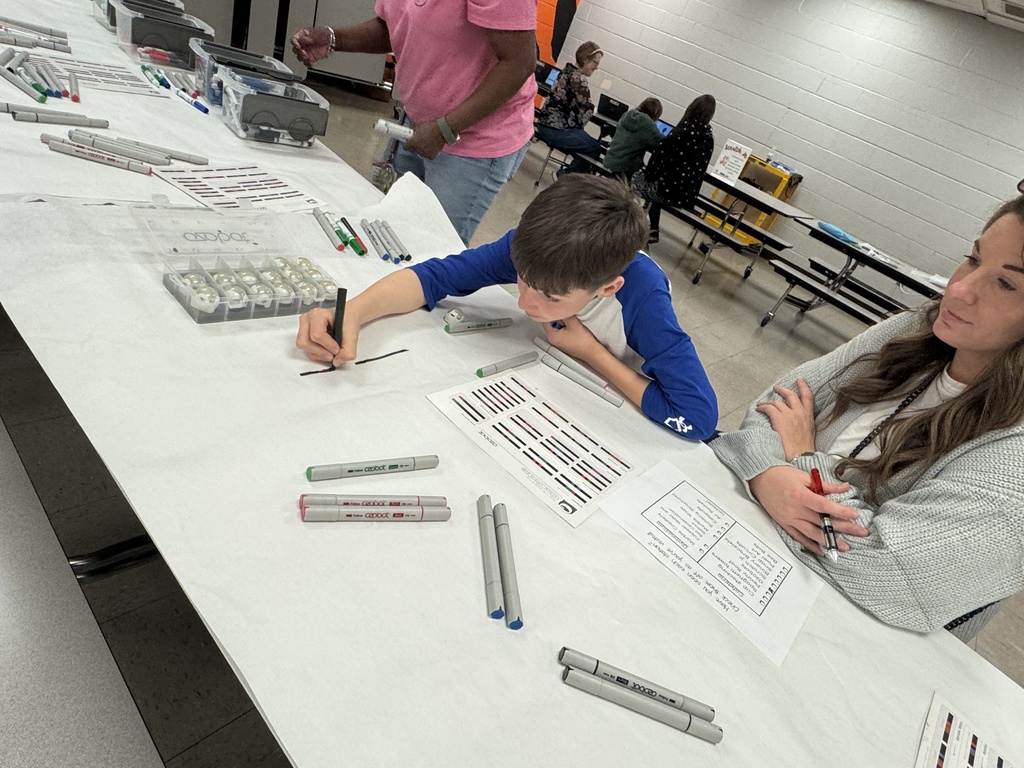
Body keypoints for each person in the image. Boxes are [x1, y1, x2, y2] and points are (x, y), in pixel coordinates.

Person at [710, 195, 1024, 641]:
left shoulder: (1014, 455)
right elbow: (773, 406)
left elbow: (888, 572)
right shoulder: (914, 331)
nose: (958, 290)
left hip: (829, 636)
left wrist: (802, 457)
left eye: (1006, 284)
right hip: (747, 560)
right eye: (973, 259)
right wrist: (768, 474)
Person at [296, 175, 718, 441]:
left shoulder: (644, 300)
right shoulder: (533, 249)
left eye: (551, 298)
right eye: (521, 278)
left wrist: (590, 351)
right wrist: (355, 311)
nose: (524, 302)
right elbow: (435, 277)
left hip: (618, 404)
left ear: (608, 288)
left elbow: (697, 420)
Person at [290, 2, 537, 246]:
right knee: (385, 232)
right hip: (419, 123)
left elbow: (519, 63)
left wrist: (445, 129)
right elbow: (395, 27)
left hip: (473, 140)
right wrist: (334, 39)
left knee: (432, 249)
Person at [634, 94, 716, 244]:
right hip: (686, 195)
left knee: (636, 178)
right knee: (657, 184)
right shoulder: (709, 137)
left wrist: (648, 174)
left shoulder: (684, 129)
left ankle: (637, 223)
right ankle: (651, 228)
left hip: (667, 191)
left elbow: (660, 156)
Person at [535, 42, 604, 177]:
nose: (596, 68)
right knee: (594, 148)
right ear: (585, 59)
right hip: (557, 130)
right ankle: (565, 176)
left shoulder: (566, 71)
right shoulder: (579, 80)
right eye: (595, 63)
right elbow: (586, 111)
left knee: (585, 144)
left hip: (544, 123)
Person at [602, 97, 664, 179]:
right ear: (656, 114)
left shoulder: (627, 115)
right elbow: (663, 143)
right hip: (624, 171)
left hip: (609, 161)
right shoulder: (648, 125)